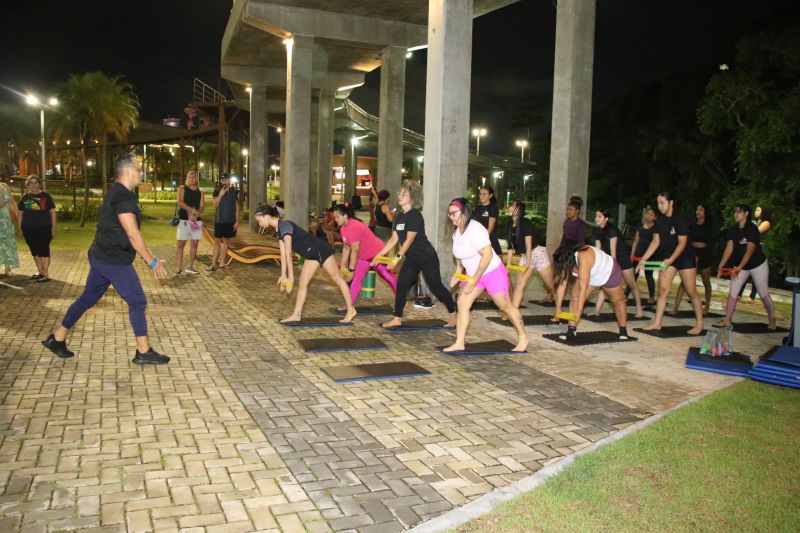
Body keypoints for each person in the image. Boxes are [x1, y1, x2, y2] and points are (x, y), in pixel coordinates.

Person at [42, 153, 169, 363]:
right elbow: (132, 233)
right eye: (138, 169)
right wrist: (151, 261)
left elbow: (129, 232)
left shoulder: (117, 193)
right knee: (137, 301)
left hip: (101, 256)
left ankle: (57, 338)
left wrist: (150, 255)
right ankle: (143, 351)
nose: (141, 172)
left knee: (88, 298)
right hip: (112, 260)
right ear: (127, 171)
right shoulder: (123, 196)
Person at [444, 198, 528, 352]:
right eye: (449, 214)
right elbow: (459, 257)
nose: (451, 217)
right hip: (473, 275)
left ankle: (523, 337)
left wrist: (473, 279)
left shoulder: (476, 229)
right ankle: (459, 342)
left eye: (453, 213)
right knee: (462, 303)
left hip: (492, 272)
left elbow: (488, 255)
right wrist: (458, 273)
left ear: (464, 212)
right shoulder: (457, 233)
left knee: (504, 306)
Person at [371, 180, 456, 329]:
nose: (400, 195)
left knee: (436, 287)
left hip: (426, 256)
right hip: (412, 259)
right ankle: (397, 318)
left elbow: (409, 240)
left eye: (405, 193)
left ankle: (452, 313)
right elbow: (394, 239)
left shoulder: (415, 216)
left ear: (412, 197)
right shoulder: (398, 217)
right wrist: (378, 255)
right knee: (401, 284)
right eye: (400, 193)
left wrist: (396, 259)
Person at [253, 204, 356, 323]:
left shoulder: (285, 226)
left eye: (259, 220)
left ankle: (351, 309)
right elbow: (282, 255)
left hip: (320, 249)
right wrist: (283, 275)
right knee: (303, 283)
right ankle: (296, 315)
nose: (260, 224)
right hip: (311, 254)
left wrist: (291, 277)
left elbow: (288, 253)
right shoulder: (278, 230)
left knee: (337, 279)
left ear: (266, 216)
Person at [635, 192, 704, 335]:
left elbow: (682, 243)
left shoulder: (680, 218)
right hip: (668, 258)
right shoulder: (659, 221)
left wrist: (669, 261)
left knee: (691, 292)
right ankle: (657, 323)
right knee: (663, 291)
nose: (659, 206)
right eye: (658, 203)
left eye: (662, 203)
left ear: (671, 202)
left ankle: (699, 325)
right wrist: (643, 260)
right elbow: (655, 242)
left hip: (685, 258)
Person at [715, 204, 776, 329]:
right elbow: (729, 248)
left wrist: (740, 267)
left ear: (746, 214)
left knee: (763, 293)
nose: (736, 214)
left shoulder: (752, 229)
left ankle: (772, 319)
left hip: (757, 264)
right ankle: (727, 320)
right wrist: (721, 266)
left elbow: (750, 251)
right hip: (740, 266)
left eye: (739, 212)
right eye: (735, 212)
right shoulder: (733, 229)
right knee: (733, 292)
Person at [552, 245, 630, 340]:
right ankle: (571, 330)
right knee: (574, 296)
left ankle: (623, 330)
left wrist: (578, 313)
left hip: (608, 272)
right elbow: (562, 284)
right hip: (592, 276)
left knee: (618, 301)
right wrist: (558, 308)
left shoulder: (583, 257)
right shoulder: (566, 259)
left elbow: (582, 290)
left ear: (569, 261)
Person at [333, 203, 397, 305]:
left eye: (337, 217)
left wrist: (351, 269)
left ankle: (401, 301)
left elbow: (355, 250)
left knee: (386, 275)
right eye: (335, 217)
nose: (335, 220)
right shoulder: (343, 229)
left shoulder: (354, 226)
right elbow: (346, 247)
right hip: (364, 257)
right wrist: (343, 265)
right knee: (356, 280)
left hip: (377, 252)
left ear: (345, 216)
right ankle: (349, 306)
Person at [591, 209, 644, 317]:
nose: (597, 218)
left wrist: (612, 267)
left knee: (632, 285)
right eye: (596, 216)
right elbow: (598, 249)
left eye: (600, 216)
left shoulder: (612, 230)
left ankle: (639, 310)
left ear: (606, 219)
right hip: (609, 258)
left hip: (622, 258)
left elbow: (613, 249)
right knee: (604, 284)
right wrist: (598, 265)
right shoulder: (597, 230)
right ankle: (597, 311)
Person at [505, 200, 556, 310]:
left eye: (512, 206)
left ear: (518, 209)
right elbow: (510, 246)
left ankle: (558, 304)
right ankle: (513, 311)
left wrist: (527, 265)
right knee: (519, 285)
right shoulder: (510, 223)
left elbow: (528, 246)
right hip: (525, 256)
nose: (509, 207)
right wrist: (508, 264)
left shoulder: (526, 223)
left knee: (550, 285)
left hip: (537, 254)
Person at [672, 204, 714, 313]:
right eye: (697, 209)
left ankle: (707, 305)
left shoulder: (709, 225)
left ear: (705, 212)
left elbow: (711, 241)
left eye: (701, 210)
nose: (698, 212)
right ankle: (675, 307)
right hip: (692, 252)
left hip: (705, 253)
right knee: (685, 280)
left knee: (706, 281)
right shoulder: (691, 223)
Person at [17, 175, 56, 282]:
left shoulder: (46, 196)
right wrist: (19, 228)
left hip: (44, 228)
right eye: (31, 183)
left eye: (36, 182)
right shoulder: (25, 197)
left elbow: (52, 212)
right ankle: (40, 272)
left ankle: (46, 274)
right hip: (28, 229)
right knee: (34, 250)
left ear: (39, 184)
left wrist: (53, 228)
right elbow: (20, 214)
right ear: (28, 185)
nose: (34, 185)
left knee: (43, 250)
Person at [175, 170, 204, 275]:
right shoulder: (182, 189)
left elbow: (202, 206)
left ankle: (190, 266)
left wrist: (197, 214)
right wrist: (192, 211)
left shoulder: (200, 192)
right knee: (181, 244)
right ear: (186, 178)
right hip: (184, 220)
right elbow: (180, 202)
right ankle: (178, 267)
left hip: (196, 222)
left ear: (196, 179)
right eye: (190, 177)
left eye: (194, 177)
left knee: (194, 244)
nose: (192, 179)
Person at [740, 206, 771, 303]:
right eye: (756, 210)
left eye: (758, 210)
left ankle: (751, 297)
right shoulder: (754, 222)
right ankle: (738, 294)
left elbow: (755, 232)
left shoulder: (766, 222)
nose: (756, 212)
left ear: (763, 212)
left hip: (760, 248)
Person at [207, 174, 239, 271]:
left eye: (226, 179)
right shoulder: (217, 191)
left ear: (229, 180)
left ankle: (222, 262)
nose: (224, 181)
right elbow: (215, 205)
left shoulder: (234, 191)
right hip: (220, 221)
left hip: (231, 221)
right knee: (217, 242)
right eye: (222, 180)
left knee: (226, 242)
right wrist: (220, 195)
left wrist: (237, 221)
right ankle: (213, 264)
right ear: (220, 181)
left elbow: (237, 207)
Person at [630, 207, 658, 308]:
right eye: (647, 214)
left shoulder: (655, 228)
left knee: (648, 275)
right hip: (638, 254)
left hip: (649, 256)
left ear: (655, 217)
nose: (648, 216)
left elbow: (655, 242)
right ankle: (625, 294)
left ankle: (651, 297)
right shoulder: (640, 227)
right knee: (633, 275)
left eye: (651, 215)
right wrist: (632, 255)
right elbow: (635, 242)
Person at [472, 185, 502, 256]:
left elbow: (490, 227)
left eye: (484, 194)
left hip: (490, 239)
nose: (481, 196)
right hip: (479, 240)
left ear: (490, 195)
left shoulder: (493, 208)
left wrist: (483, 239)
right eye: (480, 194)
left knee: (498, 264)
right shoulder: (477, 208)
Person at [0, 181, 20, 275]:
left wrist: (16, 213)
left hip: (6, 220)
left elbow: (12, 201)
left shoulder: (4, 186)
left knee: (8, 242)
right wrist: (5, 202)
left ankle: (7, 269)